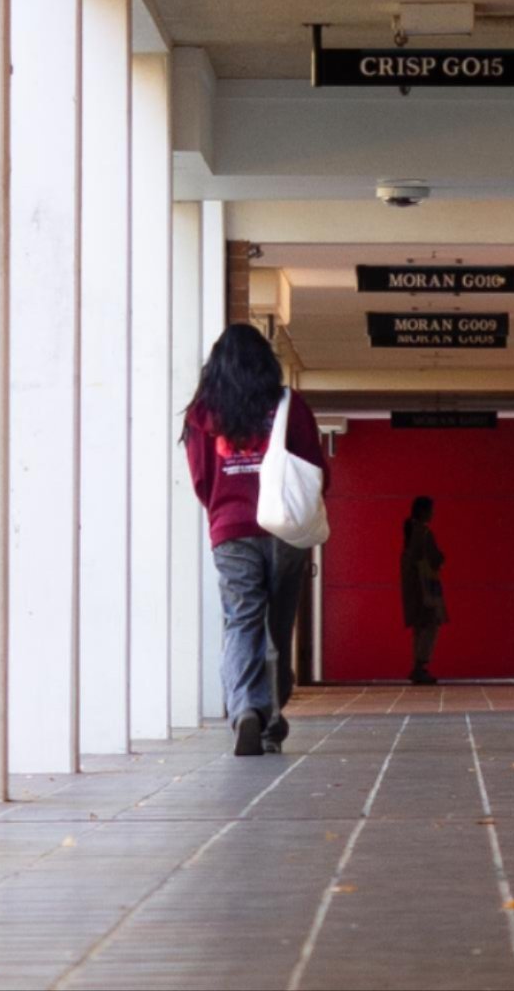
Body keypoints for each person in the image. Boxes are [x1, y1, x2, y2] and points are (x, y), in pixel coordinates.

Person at [182, 323, 327, 756]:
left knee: (242, 619)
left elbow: (200, 478)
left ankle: (246, 708)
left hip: (231, 529)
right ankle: (273, 718)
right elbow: (315, 468)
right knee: (279, 624)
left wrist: (224, 512)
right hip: (284, 528)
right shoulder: (288, 405)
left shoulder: (203, 414)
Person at [400, 495, 447, 685]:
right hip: (426, 586)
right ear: (423, 511)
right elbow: (435, 559)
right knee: (431, 625)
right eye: (431, 509)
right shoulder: (424, 533)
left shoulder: (411, 533)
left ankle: (418, 666)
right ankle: (421, 666)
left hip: (414, 587)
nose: (433, 513)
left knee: (420, 627)